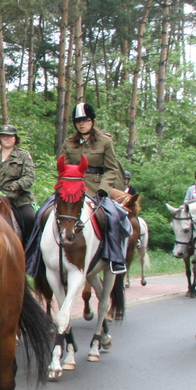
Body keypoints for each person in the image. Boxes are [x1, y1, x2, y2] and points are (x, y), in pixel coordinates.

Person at [62, 102, 131, 274]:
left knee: (114, 217)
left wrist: (104, 189)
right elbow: (64, 167)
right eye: (78, 121)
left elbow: (111, 169)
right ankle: (40, 257)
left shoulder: (105, 142)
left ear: (92, 121)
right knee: (44, 212)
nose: (81, 124)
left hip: (96, 189)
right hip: (72, 190)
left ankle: (115, 258)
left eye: (85, 120)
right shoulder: (69, 143)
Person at [0, 124, 36, 240]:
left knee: (30, 218)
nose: (6, 139)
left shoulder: (23, 155)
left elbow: (29, 176)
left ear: (15, 138)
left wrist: (16, 185)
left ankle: (30, 250)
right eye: (4, 136)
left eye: (10, 136)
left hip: (18, 198)